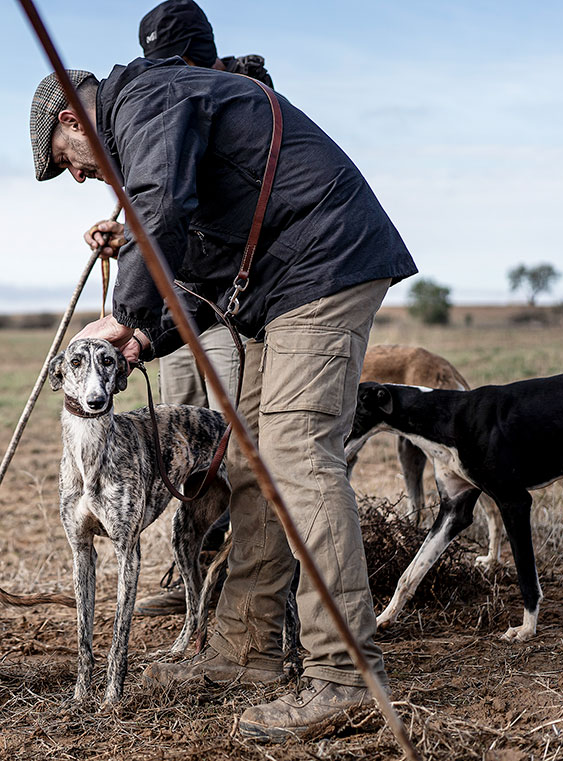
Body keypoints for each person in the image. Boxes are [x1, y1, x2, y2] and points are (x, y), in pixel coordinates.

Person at [30, 58, 417, 740]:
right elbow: (193, 264)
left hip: (322, 261)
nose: (82, 179)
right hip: (278, 288)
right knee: (249, 460)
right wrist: (143, 338)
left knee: (296, 456)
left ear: (71, 118)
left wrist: (121, 310)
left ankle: (345, 677)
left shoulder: (145, 100)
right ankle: (249, 649)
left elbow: (161, 207)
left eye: (68, 163)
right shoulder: (149, 118)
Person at [86, 0, 275, 618]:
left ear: (196, 53)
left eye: (171, 58)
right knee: (176, 430)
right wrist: (131, 241)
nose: (161, 70)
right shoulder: (162, 104)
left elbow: (181, 206)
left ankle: (242, 582)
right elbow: (170, 213)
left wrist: (133, 309)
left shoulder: (237, 91)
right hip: (180, 311)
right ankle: (191, 568)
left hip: (230, 310)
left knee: (236, 447)